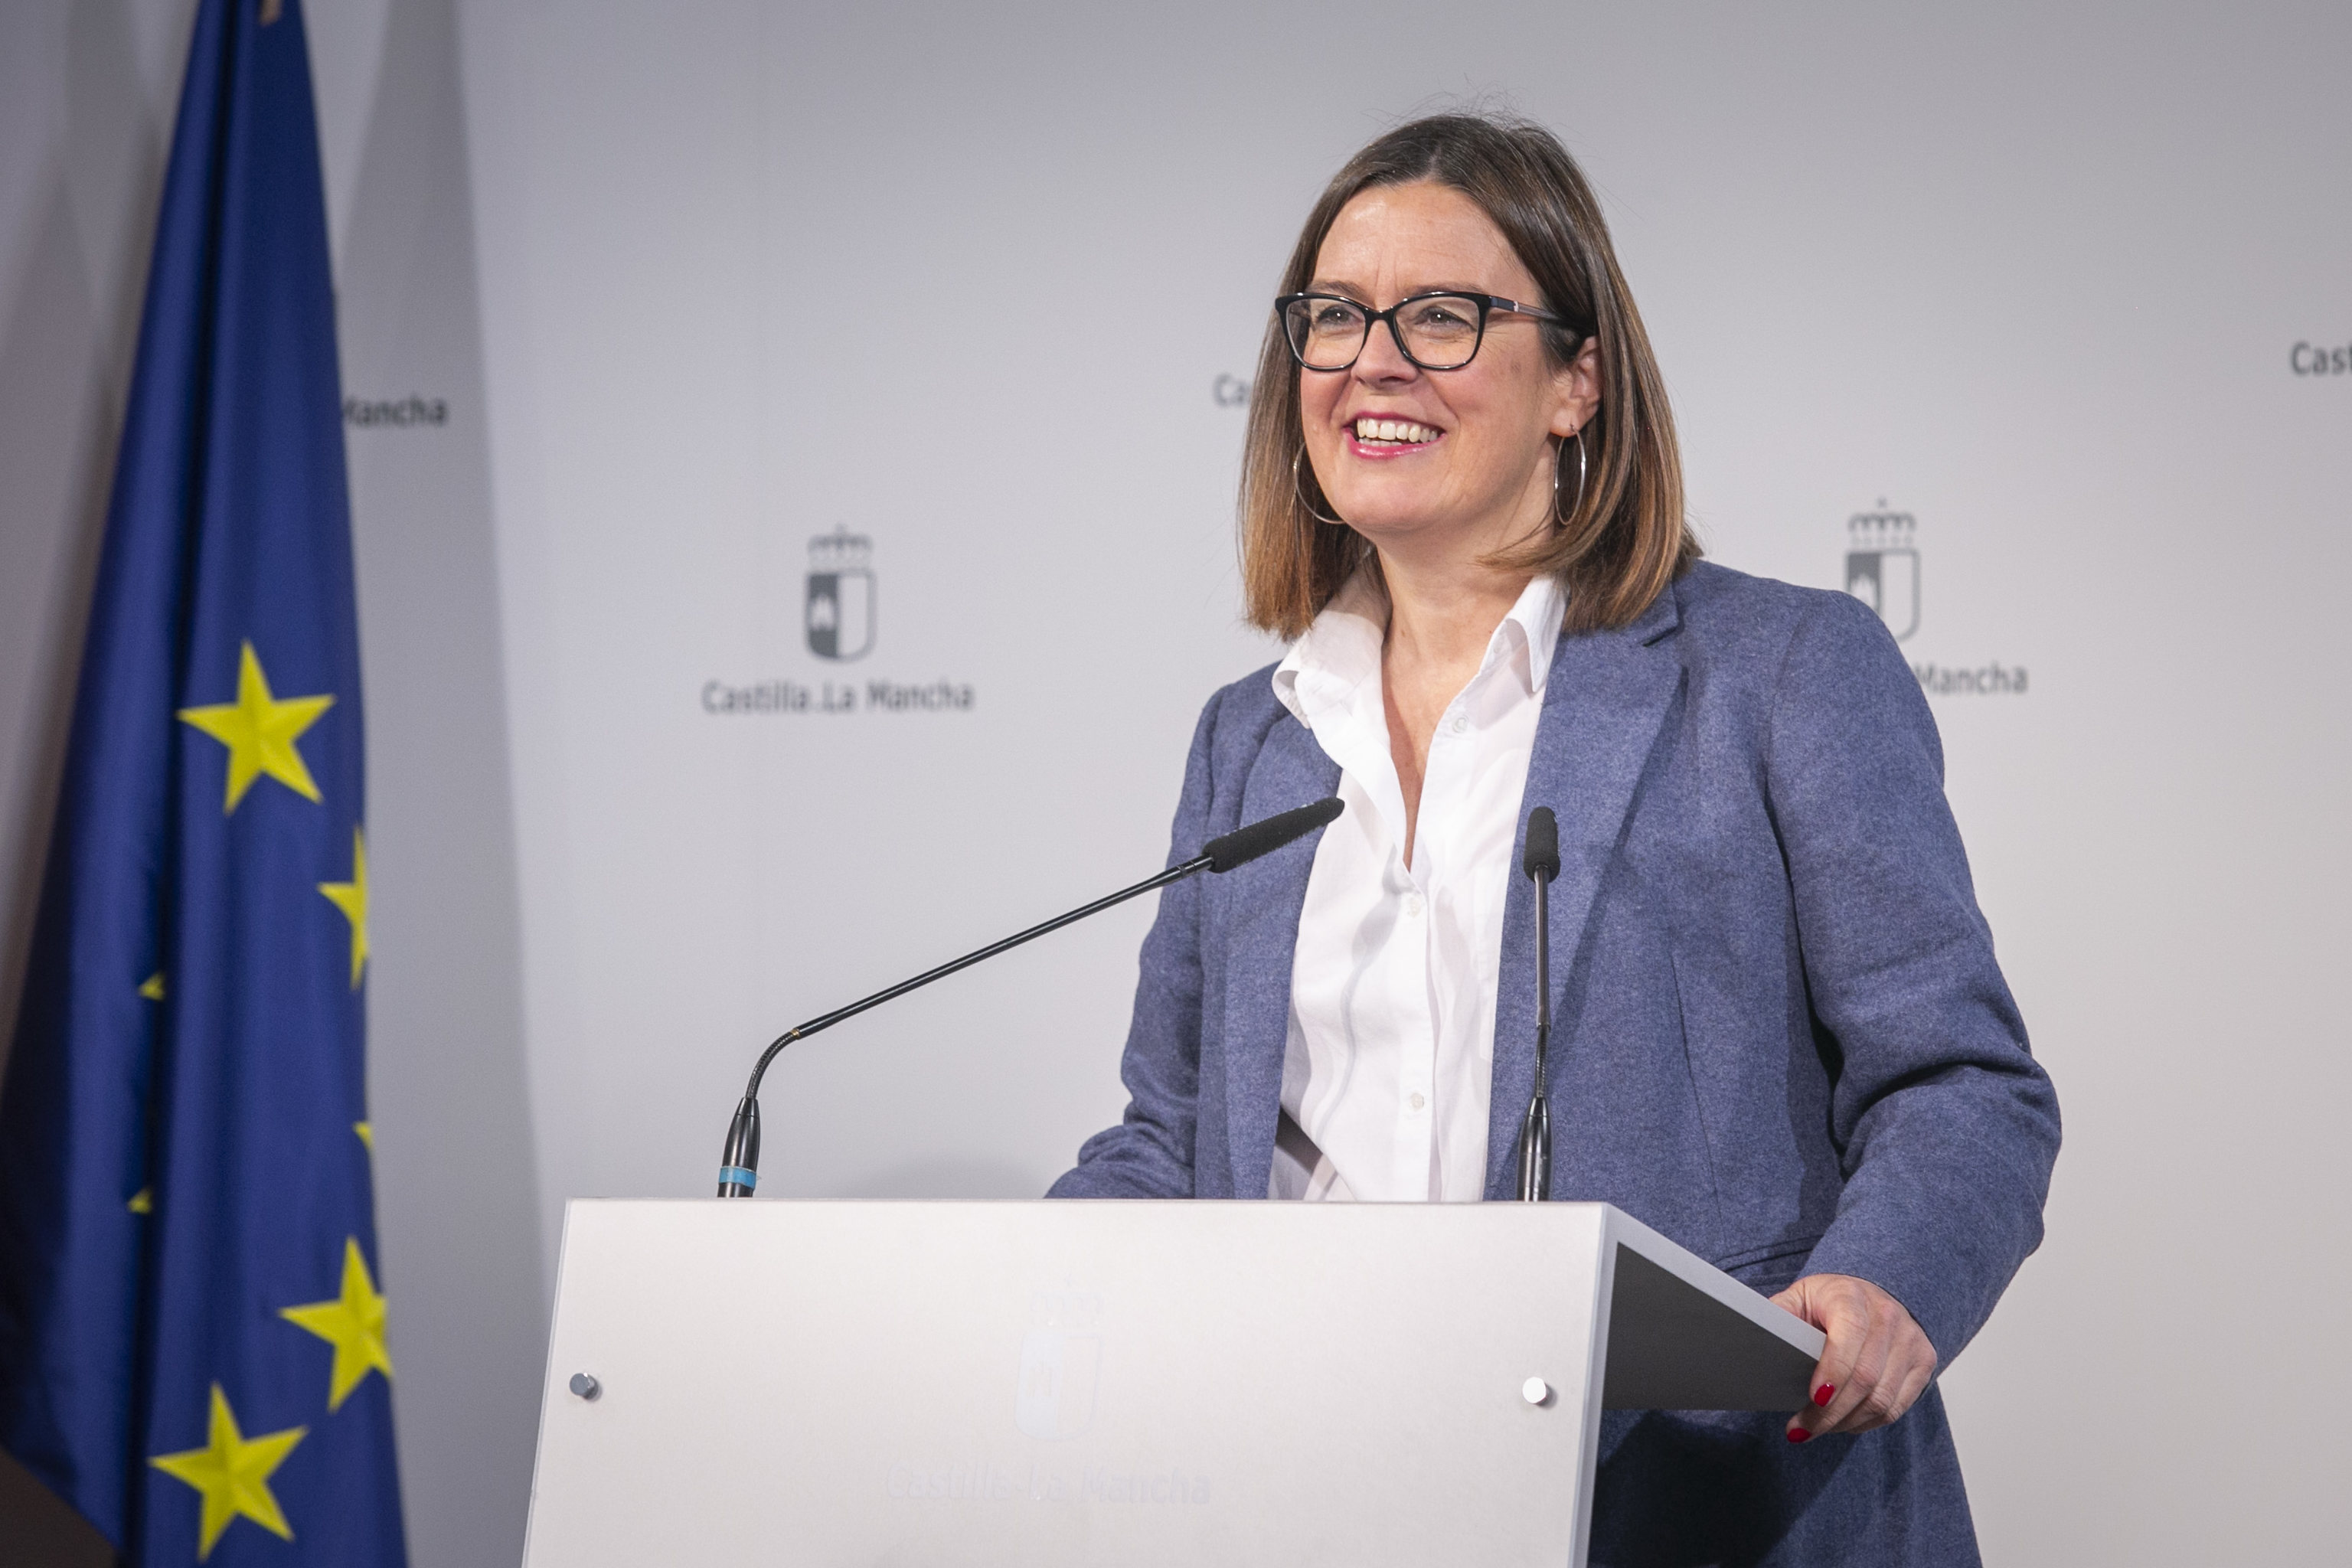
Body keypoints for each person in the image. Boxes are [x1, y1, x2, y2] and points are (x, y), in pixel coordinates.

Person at [1048, 112, 2059, 1563]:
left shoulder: (1778, 674)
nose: (1372, 361)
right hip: (1314, 1498)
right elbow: (1175, 1135)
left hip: (1706, 1498)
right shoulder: (1251, 738)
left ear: (1577, 381)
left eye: (1441, 316)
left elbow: (1959, 1082)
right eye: (1334, 316)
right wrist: (1009, 1294)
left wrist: (1880, 1284)